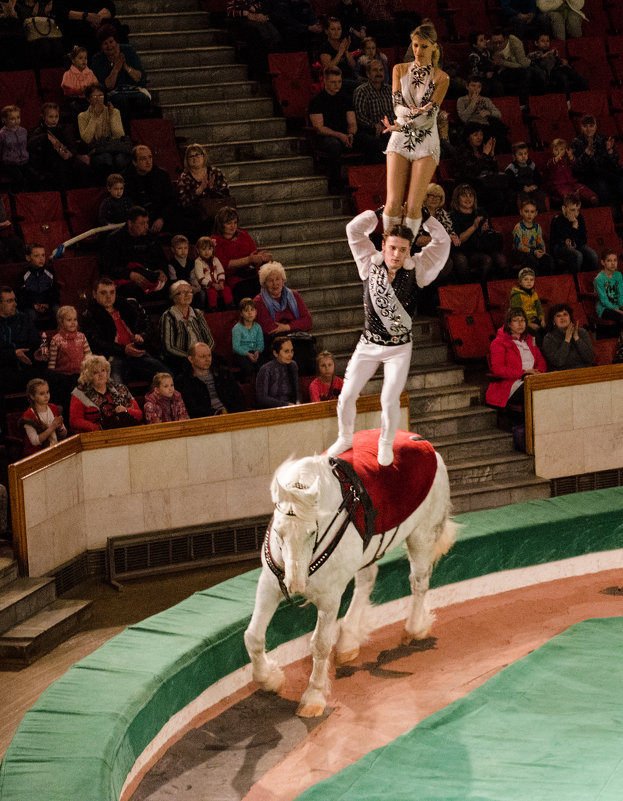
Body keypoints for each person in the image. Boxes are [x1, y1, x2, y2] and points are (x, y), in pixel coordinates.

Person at [327, 208, 450, 466]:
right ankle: (344, 437)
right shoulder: (368, 262)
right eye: (392, 247)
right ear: (383, 245)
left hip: (399, 348)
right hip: (368, 344)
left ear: (409, 252)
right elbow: (353, 229)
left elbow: (443, 242)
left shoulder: (418, 269)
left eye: (403, 250)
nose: (396, 254)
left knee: (389, 398)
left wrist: (426, 218)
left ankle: (386, 443)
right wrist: (380, 212)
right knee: (347, 394)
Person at [381, 22, 449, 240]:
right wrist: (408, 119)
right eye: (415, 45)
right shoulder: (399, 69)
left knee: (413, 206)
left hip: (426, 142)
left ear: (434, 47)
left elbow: (429, 118)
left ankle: (406, 249)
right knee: (392, 202)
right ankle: (388, 246)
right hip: (399, 138)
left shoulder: (441, 78)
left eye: (424, 46)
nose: (418, 51)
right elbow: (397, 106)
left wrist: (404, 122)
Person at [82, 276, 169, 384]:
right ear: (94, 294)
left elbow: (147, 325)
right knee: (117, 386)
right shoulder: (90, 314)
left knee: (167, 375)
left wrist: (142, 336)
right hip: (113, 357)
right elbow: (96, 342)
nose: (108, 297)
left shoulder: (128, 305)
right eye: (103, 293)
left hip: (137, 351)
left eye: (112, 292)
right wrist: (123, 349)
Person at [253, 261, 313, 371]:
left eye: (278, 279)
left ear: (283, 280)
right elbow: (269, 328)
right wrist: (296, 324)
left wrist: (287, 327)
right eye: (270, 281)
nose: (275, 284)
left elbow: (308, 321)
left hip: (294, 336)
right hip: (273, 341)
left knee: (307, 347)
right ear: (264, 283)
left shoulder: (294, 295)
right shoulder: (259, 301)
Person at [485, 307, 546, 413]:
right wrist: (523, 373)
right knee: (536, 390)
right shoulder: (498, 342)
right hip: (510, 384)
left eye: (522, 320)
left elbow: (540, 361)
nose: (520, 324)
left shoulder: (531, 339)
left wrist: (538, 372)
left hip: (533, 379)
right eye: (515, 320)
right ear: (508, 324)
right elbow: (498, 369)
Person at [99, 205, 168, 299]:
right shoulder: (114, 239)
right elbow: (108, 267)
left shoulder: (151, 238)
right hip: (126, 280)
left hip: (149, 276)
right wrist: (129, 274)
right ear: (130, 223)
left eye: (147, 222)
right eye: (142, 223)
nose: (146, 226)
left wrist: (161, 270)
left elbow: (161, 259)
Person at [308, 67, 357, 194]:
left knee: (371, 141)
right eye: (333, 82)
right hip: (327, 136)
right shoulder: (316, 101)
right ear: (325, 81)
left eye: (339, 82)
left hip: (345, 135)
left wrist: (351, 134)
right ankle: (336, 185)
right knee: (333, 145)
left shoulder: (346, 98)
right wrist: (340, 135)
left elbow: (352, 122)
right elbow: (319, 128)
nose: (337, 85)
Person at [91, 24, 151, 123]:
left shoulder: (128, 50)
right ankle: (125, 134)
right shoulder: (97, 58)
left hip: (134, 89)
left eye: (111, 42)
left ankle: (140, 134)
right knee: (120, 101)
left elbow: (139, 78)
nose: (109, 46)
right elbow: (107, 86)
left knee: (142, 100)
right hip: (115, 92)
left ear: (116, 41)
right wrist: (116, 68)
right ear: (101, 47)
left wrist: (125, 67)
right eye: (105, 44)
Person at [211, 206, 271, 303]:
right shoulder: (215, 240)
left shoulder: (244, 234)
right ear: (221, 225)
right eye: (229, 223)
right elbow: (223, 264)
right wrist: (248, 260)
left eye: (235, 222)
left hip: (251, 273)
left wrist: (261, 257)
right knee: (247, 290)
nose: (233, 226)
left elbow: (253, 253)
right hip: (232, 278)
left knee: (269, 284)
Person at [69, 353, 143, 432]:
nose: (101, 374)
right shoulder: (80, 393)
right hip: (96, 436)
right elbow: (74, 421)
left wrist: (126, 410)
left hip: (125, 432)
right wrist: (98, 428)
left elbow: (139, 415)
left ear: (107, 372)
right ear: (88, 376)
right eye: (95, 372)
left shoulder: (121, 389)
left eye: (103, 370)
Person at [449, 183, 507, 283]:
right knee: (463, 261)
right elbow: (459, 240)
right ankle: (470, 290)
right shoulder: (452, 216)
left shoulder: (481, 212)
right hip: (462, 251)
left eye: (471, 195)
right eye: (464, 195)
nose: (468, 198)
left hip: (480, 249)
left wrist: (486, 230)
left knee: (501, 260)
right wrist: (474, 227)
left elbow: (488, 234)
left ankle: (490, 289)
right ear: (457, 198)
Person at [28, 102, 92, 190]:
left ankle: (82, 192)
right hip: (48, 160)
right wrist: (45, 137)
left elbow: (72, 145)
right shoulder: (39, 130)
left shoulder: (62, 129)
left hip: (65, 157)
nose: (54, 120)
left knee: (81, 166)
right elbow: (30, 144)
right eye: (51, 117)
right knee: (61, 169)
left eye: (56, 116)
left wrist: (71, 154)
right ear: (43, 117)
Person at [571, 115, 623, 222]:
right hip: (588, 174)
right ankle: (607, 217)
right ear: (581, 127)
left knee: (620, 180)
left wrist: (610, 151)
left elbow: (614, 161)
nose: (589, 129)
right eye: (585, 126)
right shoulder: (576, 142)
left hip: (605, 171)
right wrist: (587, 152)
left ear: (595, 127)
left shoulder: (604, 139)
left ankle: (619, 212)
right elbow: (578, 166)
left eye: (591, 126)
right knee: (602, 185)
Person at [176, 143, 231, 239]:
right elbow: (184, 202)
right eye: (191, 156)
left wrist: (211, 189)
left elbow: (225, 193)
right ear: (187, 160)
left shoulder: (214, 172)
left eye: (197, 155)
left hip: (215, 212)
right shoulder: (184, 177)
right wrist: (199, 190)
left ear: (203, 156)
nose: (194, 158)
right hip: (196, 216)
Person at [452, 122, 509, 215]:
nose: (479, 137)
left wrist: (491, 155)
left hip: (484, 183)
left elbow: (494, 171)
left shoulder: (481, 150)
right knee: (496, 196)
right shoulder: (462, 151)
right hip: (469, 184)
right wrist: (485, 155)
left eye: (481, 134)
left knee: (507, 192)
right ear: (468, 137)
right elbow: (472, 171)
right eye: (475, 135)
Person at [176, 341, 244, 418]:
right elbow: (191, 408)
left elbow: (238, 397)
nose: (207, 359)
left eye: (209, 355)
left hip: (231, 414)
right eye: (202, 356)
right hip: (206, 420)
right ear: (191, 359)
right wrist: (216, 413)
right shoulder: (184, 381)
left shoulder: (223, 373)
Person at [159, 280, 215, 374]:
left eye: (189, 292)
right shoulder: (168, 316)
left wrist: (205, 355)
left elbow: (210, 340)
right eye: (182, 293)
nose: (187, 295)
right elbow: (169, 347)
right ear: (174, 297)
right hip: (181, 359)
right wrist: (191, 357)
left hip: (202, 356)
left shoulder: (197, 313)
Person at [78, 83, 131, 177]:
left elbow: (119, 135)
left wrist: (111, 116)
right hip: (96, 150)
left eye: (101, 95)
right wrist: (94, 117)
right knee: (106, 159)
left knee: (120, 160)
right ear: (88, 99)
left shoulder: (114, 112)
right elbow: (87, 139)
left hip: (115, 148)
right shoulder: (83, 116)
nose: (99, 99)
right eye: (95, 96)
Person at [0, 285, 44, 398]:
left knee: (54, 379)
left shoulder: (24, 318)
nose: (15, 304)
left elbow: (35, 341)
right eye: (9, 301)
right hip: (5, 369)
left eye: (14, 300)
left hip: (27, 367)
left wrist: (37, 351)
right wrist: (14, 354)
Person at [123, 145, 174, 234]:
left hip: (160, 217)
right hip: (138, 219)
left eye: (150, 157)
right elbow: (126, 204)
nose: (148, 162)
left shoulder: (162, 175)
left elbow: (170, 201)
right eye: (143, 159)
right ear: (135, 162)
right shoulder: (126, 179)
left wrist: (161, 219)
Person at [353, 57, 393, 163]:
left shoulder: (391, 90)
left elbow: (399, 111)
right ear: (368, 73)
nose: (378, 73)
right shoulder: (361, 91)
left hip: (392, 128)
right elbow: (360, 116)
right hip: (371, 130)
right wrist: (375, 126)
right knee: (383, 141)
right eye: (375, 70)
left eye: (381, 70)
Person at [456, 76, 509, 152]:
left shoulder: (485, 100)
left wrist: (489, 112)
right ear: (467, 87)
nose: (476, 89)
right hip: (471, 126)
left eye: (478, 87)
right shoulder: (462, 100)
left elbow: (498, 114)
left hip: (485, 125)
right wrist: (472, 103)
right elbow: (463, 118)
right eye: (473, 86)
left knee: (500, 136)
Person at [549, 193, 597, 275]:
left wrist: (575, 244)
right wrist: (574, 227)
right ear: (564, 209)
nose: (575, 213)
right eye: (572, 210)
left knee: (593, 256)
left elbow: (583, 238)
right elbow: (555, 240)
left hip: (577, 244)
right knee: (578, 255)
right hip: (560, 246)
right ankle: (574, 280)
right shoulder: (557, 220)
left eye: (578, 210)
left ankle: (587, 278)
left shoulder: (579, 218)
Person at [543, 137, 597, 207]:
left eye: (561, 149)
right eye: (556, 150)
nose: (559, 152)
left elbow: (575, 165)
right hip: (558, 185)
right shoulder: (551, 161)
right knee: (567, 194)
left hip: (571, 183)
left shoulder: (567, 160)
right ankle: (574, 201)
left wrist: (571, 157)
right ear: (552, 151)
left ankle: (591, 198)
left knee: (582, 188)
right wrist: (556, 159)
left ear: (565, 150)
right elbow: (550, 166)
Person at [19, 378, 67, 456]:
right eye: (41, 394)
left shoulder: (54, 408)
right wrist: (52, 427)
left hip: (55, 450)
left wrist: (60, 428)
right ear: (32, 396)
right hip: (37, 455)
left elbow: (63, 434)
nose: (46, 396)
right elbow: (35, 441)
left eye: (47, 392)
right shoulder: (28, 416)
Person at [17, 243, 60, 325]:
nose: (41, 258)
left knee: (58, 311)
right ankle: (33, 336)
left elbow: (55, 292)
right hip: (32, 306)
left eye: (43, 255)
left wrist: (48, 304)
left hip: (48, 304)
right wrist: (34, 306)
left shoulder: (49, 272)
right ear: (28, 258)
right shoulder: (24, 275)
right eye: (37, 256)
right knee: (31, 315)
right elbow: (21, 296)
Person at [542, 302, 593, 370]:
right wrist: (567, 340)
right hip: (564, 374)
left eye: (565, 314)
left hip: (586, 370)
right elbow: (558, 362)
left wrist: (577, 338)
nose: (562, 318)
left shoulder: (582, 332)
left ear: (570, 318)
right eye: (558, 316)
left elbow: (590, 358)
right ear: (553, 321)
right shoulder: (549, 338)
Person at [0, 104, 38, 192]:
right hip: (9, 163)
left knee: (34, 177)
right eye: (12, 119)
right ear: (4, 120)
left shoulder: (23, 131)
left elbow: (26, 146)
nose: (16, 121)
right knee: (19, 179)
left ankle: (30, 197)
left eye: (18, 117)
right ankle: (15, 198)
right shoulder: (2, 134)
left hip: (24, 161)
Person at [256, 336, 301, 408]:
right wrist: (285, 405)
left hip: (291, 407)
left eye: (292, 351)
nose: (290, 355)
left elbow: (297, 391)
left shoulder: (293, 365)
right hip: (271, 410)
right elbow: (262, 399)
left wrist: (298, 402)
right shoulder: (266, 369)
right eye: (286, 351)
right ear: (275, 353)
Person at [512, 199, 554, 275]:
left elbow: (540, 241)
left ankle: (546, 282)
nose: (529, 214)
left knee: (548, 259)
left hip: (534, 251)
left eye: (532, 212)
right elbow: (519, 246)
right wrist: (533, 252)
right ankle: (534, 282)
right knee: (531, 260)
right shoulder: (518, 227)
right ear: (521, 212)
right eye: (526, 211)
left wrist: (542, 251)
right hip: (521, 253)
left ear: (536, 213)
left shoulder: (537, 227)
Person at [48, 305, 91, 377]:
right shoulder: (56, 340)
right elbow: (52, 363)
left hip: (81, 375)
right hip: (63, 376)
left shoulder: (82, 337)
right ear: (61, 322)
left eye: (75, 319)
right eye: (69, 320)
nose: (73, 323)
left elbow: (89, 356)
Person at [319, 16, 359, 94]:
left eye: (339, 29)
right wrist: (340, 53)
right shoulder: (325, 47)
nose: (336, 32)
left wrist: (346, 51)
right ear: (327, 31)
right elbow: (328, 68)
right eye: (333, 29)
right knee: (360, 86)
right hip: (337, 80)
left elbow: (354, 66)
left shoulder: (343, 44)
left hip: (351, 77)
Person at [504, 141, 547, 212]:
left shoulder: (531, 165)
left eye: (525, 154)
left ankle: (540, 214)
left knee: (540, 195)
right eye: (520, 154)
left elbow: (537, 178)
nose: (523, 156)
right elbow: (511, 182)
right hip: (520, 189)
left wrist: (535, 185)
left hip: (531, 187)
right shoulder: (511, 168)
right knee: (523, 198)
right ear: (514, 156)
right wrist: (523, 188)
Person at [194, 236, 233, 312]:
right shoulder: (198, 262)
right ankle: (213, 308)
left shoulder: (215, 259)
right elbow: (200, 277)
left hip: (218, 282)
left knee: (226, 289)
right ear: (198, 251)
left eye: (209, 249)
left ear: (212, 249)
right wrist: (213, 285)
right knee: (212, 293)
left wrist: (221, 282)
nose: (207, 252)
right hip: (207, 285)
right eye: (203, 249)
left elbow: (221, 271)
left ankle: (230, 305)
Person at [231, 296, 264, 379]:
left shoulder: (258, 327)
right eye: (246, 311)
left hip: (254, 352)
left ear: (256, 312)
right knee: (248, 368)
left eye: (252, 310)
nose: (250, 313)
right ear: (241, 313)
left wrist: (257, 351)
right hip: (241, 353)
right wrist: (247, 354)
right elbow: (236, 346)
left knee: (262, 366)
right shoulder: (237, 328)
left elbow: (260, 343)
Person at [510, 267, 545, 339]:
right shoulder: (517, 295)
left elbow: (539, 308)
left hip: (535, 320)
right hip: (523, 323)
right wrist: (529, 324)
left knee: (546, 331)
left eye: (531, 280)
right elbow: (516, 314)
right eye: (525, 279)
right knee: (535, 337)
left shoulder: (534, 294)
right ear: (520, 282)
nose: (529, 282)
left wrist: (542, 319)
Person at [594, 249, 623, 335]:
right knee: (621, 317)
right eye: (609, 260)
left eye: (615, 260)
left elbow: (621, 294)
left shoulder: (618, 275)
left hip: (617, 306)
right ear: (603, 262)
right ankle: (619, 341)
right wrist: (620, 311)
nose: (613, 263)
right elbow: (604, 301)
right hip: (604, 309)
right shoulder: (599, 279)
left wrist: (621, 306)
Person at [167, 234, 202, 304]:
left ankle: (199, 312)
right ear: (173, 249)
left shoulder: (190, 262)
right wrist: (189, 288)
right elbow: (174, 282)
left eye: (185, 248)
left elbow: (192, 277)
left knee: (201, 293)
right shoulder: (172, 264)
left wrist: (196, 285)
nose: (183, 251)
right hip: (178, 288)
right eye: (179, 248)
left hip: (190, 286)